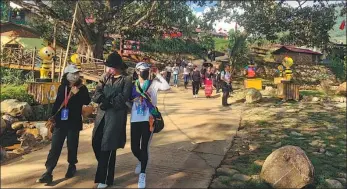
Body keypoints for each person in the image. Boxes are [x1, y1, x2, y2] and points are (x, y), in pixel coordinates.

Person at [36, 64, 91, 184]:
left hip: (74, 121)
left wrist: (78, 94)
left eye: (77, 73)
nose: (75, 76)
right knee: (55, 147)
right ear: (67, 75)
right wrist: (52, 117)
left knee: (72, 145)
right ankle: (48, 171)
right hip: (61, 122)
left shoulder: (82, 88)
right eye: (73, 73)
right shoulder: (62, 87)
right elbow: (58, 103)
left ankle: (72, 165)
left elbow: (87, 100)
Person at [92, 52, 133, 188]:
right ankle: (106, 171)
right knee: (96, 142)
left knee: (108, 147)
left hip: (115, 117)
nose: (109, 70)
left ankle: (104, 179)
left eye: (111, 67)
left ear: (118, 67)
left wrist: (110, 102)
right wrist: (102, 100)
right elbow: (97, 93)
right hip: (101, 116)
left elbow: (124, 97)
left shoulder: (126, 79)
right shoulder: (105, 77)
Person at [130, 62, 170, 188]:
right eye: (143, 70)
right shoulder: (133, 85)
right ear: (137, 71)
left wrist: (158, 74)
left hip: (149, 119)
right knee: (134, 147)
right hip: (135, 119)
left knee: (144, 146)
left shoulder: (153, 84)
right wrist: (135, 101)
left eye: (147, 70)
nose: (145, 72)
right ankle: (142, 161)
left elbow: (166, 86)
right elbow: (128, 99)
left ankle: (142, 174)